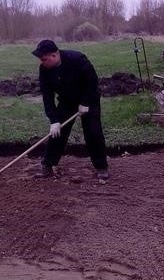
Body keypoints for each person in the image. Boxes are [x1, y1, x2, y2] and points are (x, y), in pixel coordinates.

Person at [31, 39, 109, 180]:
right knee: (57, 132)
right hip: (67, 100)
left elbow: (92, 81)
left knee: (93, 132)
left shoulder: (77, 59)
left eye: (44, 59)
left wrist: (85, 102)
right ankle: (48, 165)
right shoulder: (45, 69)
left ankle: (101, 167)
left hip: (89, 98)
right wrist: (54, 121)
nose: (42, 62)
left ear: (54, 55)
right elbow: (47, 96)